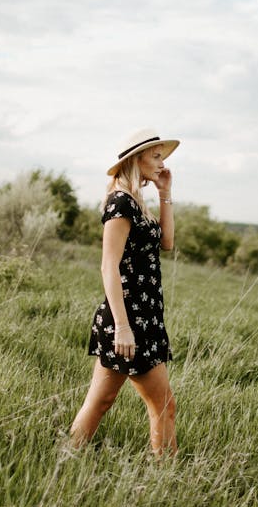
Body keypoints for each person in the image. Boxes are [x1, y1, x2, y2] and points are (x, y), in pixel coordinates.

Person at [68, 128, 179, 455]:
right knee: (164, 405)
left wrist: (165, 193)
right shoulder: (119, 202)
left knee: (100, 401)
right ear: (136, 158)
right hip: (128, 321)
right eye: (156, 155)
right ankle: (167, 478)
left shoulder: (136, 200)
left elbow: (167, 244)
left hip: (144, 318)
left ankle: (67, 458)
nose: (162, 163)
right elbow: (108, 266)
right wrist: (124, 327)